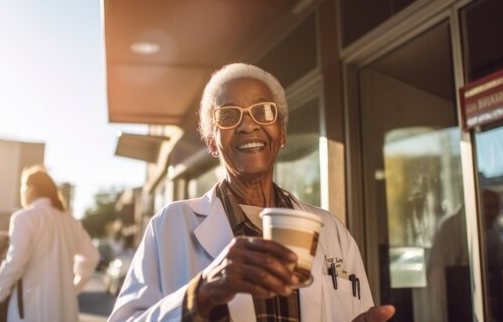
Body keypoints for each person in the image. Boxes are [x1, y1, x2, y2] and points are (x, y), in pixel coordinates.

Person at [109, 63, 394, 321]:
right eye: (228, 116)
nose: (248, 125)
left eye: (263, 111)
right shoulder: (170, 224)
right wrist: (202, 292)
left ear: (281, 132)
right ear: (211, 142)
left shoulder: (332, 231)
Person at [0, 165, 99, 321]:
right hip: (65, 311)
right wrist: (74, 287)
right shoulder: (71, 221)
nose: (21, 191)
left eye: (23, 186)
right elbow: (91, 256)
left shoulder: (24, 218)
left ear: (31, 188)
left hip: (30, 311)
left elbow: (15, 262)